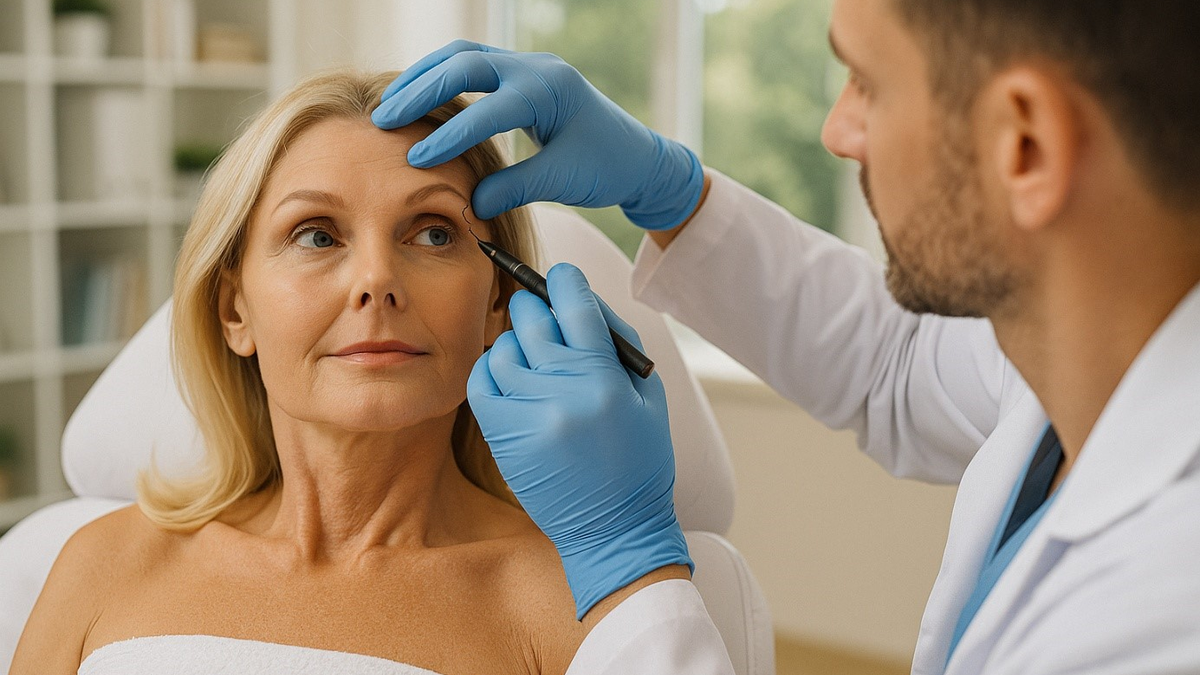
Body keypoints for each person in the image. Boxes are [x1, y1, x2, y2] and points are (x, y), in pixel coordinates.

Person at [371, 0, 1200, 672]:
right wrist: (670, 190)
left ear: (1026, 145)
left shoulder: (1159, 611)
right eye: (317, 235)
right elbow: (895, 358)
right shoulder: (1088, 352)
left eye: (867, 83)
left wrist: (627, 565)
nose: (838, 132)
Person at [10, 68, 710, 675]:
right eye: (316, 234)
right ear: (233, 310)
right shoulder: (101, 561)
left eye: (433, 232)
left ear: (498, 301)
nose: (377, 280)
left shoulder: (577, 601)